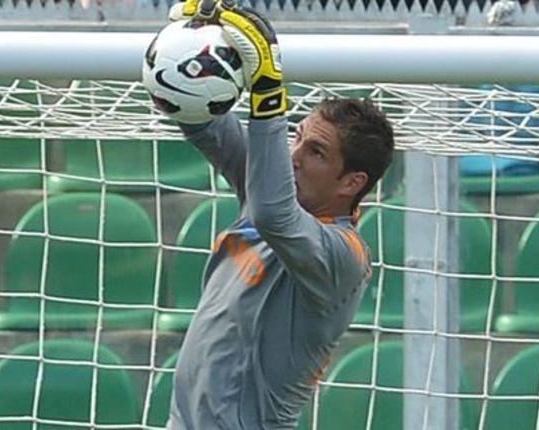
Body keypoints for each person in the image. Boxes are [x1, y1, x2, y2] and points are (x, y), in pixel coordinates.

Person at [162, 1, 395, 428]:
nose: (293, 156)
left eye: (316, 152)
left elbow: (273, 214)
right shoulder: (270, 189)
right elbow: (200, 121)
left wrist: (268, 86)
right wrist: (188, 53)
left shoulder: (344, 256)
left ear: (351, 183)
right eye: (297, 138)